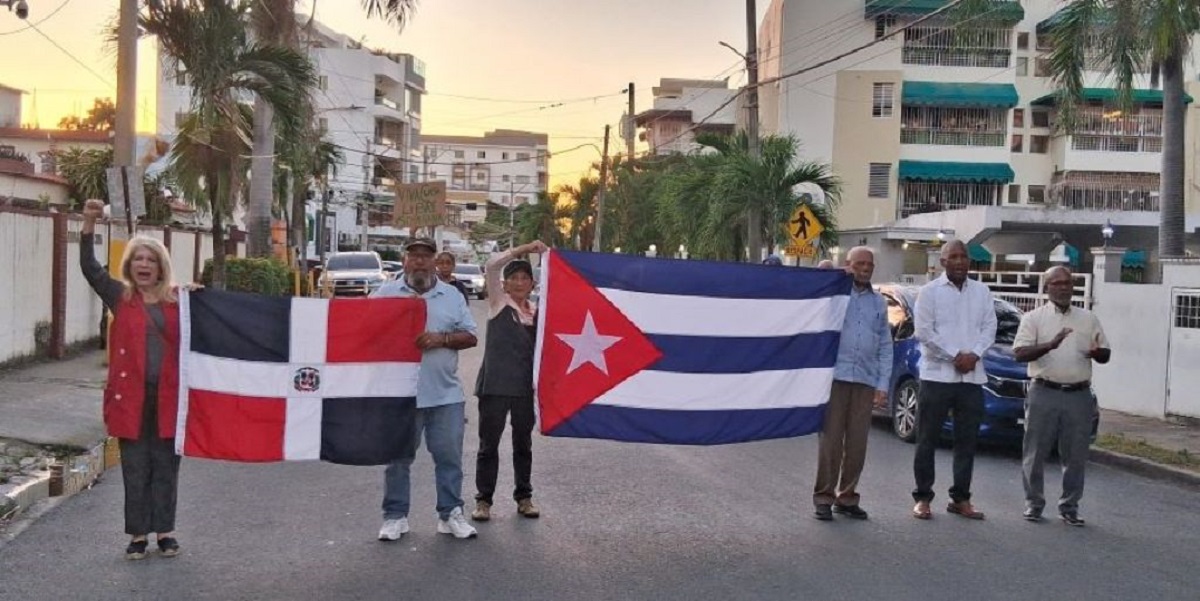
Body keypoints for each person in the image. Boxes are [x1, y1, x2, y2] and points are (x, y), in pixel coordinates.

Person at [80, 198, 187, 560]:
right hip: (131, 398)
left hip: (169, 398)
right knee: (136, 467)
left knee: (166, 468)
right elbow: (90, 268)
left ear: (161, 267)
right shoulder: (119, 296)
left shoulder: (179, 301)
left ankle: (166, 533)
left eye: (150, 259)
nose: (144, 264)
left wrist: (199, 297)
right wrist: (88, 224)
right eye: (138, 259)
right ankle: (138, 535)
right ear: (130, 265)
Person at [372, 238, 480, 540]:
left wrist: (441, 339)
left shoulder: (452, 296)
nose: (420, 261)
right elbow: (366, 332)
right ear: (404, 260)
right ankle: (395, 516)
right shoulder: (386, 293)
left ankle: (450, 514)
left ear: (435, 261)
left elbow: (471, 336)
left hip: (445, 395)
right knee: (397, 459)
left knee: (449, 457)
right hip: (400, 394)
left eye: (425, 256)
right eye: (414, 255)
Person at [1013, 266, 1110, 527]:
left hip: (1078, 394)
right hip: (1044, 390)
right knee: (1035, 451)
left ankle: (1070, 506)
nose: (1064, 287)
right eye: (1057, 283)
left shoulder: (1088, 318)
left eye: (1068, 283)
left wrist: (1098, 353)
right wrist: (1050, 344)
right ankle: (1034, 503)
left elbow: (1105, 354)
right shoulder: (1033, 318)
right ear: (1047, 288)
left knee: (1076, 454)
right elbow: (1020, 354)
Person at [911, 239, 997, 521]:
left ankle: (960, 498)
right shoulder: (929, 292)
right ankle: (923, 497)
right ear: (943, 262)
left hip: (971, 378)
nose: (960, 261)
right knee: (927, 440)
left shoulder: (982, 292)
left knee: (967, 442)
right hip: (936, 377)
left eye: (964, 257)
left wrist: (974, 355)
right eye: (954, 257)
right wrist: (955, 356)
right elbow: (924, 331)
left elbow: (989, 328)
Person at [812, 247, 892, 521]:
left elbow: (885, 344)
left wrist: (883, 384)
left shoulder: (879, 302)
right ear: (848, 265)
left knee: (857, 444)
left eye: (869, 263)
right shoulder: (834, 294)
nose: (865, 268)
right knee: (831, 442)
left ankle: (847, 497)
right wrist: (837, 276)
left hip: (865, 379)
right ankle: (824, 496)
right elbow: (815, 299)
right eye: (859, 263)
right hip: (835, 378)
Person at [471, 240, 548, 522]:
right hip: (494, 387)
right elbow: (492, 266)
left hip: (525, 390)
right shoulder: (497, 304)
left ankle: (524, 497)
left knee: (522, 445)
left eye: (524, 278)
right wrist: (523, 249)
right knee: (488, 446)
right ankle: (484, 501)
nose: (519, 283)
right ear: (504, 284)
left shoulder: (537, 311)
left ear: (531, 284)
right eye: (513, 278)